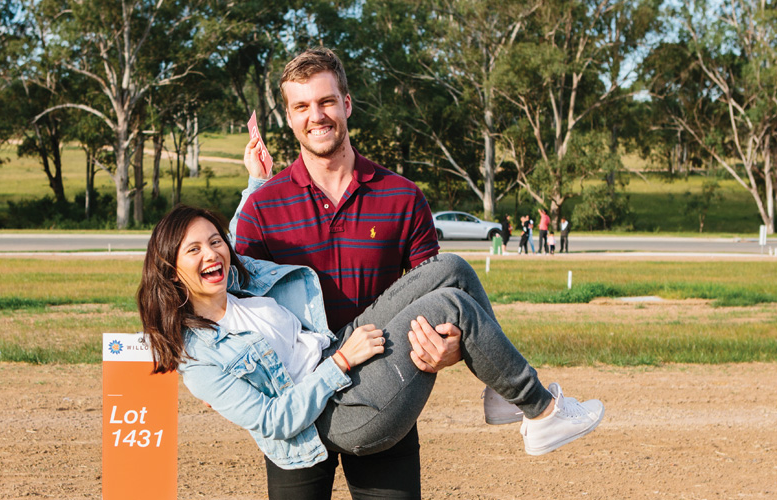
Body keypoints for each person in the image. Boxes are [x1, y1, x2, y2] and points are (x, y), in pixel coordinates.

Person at [231, 47, 596, 498]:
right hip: (299, 405)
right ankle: (522, 396)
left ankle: (510, 391)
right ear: (289, 117)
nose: (317, 116)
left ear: (346, 103)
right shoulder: (262, 207)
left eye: (326, 101)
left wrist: (453, 345)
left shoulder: (401, 196)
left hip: (383, 379)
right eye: (302, 106)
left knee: (453, 272)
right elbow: (241, 312)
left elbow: (438, 288)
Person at [138, 205, 605, 498]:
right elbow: (275, 420)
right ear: (172, 270)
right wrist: (341, 363)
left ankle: (505, 394)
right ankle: (541, 410)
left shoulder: (236, 286)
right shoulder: (198, 357)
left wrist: (256, 178)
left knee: (452, 269)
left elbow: (236, 228)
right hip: (332, 413)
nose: (210, 254)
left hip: (337, 351)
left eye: (214, 241)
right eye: (193, 250)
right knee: (451, 305)